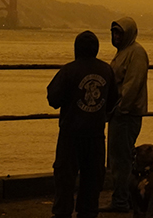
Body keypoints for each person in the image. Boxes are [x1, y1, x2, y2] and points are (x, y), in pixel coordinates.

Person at [47, 30, 117, 218]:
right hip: (95, 135)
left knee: (65, 179)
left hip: (70, 134)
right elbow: (113, 101)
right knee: (92, 180)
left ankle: (62, 213)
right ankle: (87, 213)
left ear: (76, 48)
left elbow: (53, 99)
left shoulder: (68, 70)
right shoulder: (107, 70)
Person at [105, 17, 148, 213]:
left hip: (126, 114)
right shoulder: (124, 52)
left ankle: (121, 200)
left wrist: (120, 108)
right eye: (114, 33)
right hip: (120, 113)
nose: (115, 37)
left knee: (120, 159)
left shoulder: (135, 53)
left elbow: (132, 85)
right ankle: (127, 198)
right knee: (120, 157)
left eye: (119, 33)